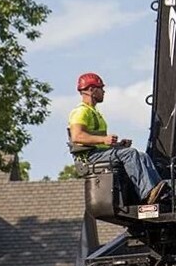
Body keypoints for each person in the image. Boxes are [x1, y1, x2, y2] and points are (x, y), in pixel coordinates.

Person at [68, 72, 167, 205]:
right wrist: (104, 140)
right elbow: (77, 136)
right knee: (130, 154)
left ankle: (159, 190)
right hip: (90, 156)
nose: (103, 91)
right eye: (101, 88)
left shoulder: (94, 112)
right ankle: (148, 193)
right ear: (91, 90)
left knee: (142, 156)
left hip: (98, 152)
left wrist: (118, 145)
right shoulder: (81, 111)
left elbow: (98, 142)